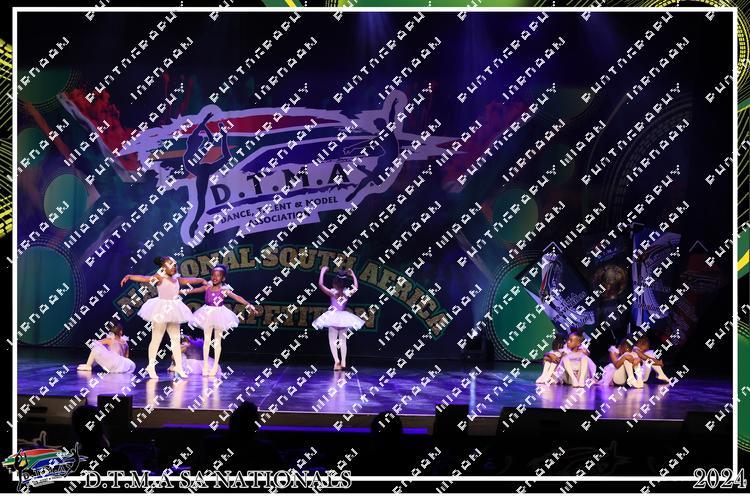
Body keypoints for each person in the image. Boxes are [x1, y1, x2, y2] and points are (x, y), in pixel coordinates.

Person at [120, 256, 206, 379]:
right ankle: (151, 366)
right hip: (161, 309)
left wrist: (201, 280)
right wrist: (129, 276)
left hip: (174, 309)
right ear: (163, 267)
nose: (173, 266)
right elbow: (144, 278)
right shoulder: (159, 277)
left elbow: (190, 280)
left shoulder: (177, 279)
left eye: (174, 264)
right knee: (156, 339)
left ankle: (179, 367)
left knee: (175, 340)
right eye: (170, 264)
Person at [181, 264, 258, 376]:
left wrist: (249, 305)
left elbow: (237, 297)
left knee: (217, 341)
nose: (215, 277)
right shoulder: (207, 287)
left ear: (223, 278)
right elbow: (193, 290)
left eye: (218, 275)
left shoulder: (224, 290)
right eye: (213, 275)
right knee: (207, 341)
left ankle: (215, 366)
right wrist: (179, 292)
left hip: (219, 314)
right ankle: (205, 366)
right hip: (206, 313)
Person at [311, 267, 364, 370]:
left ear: (334, 283)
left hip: (332, 317)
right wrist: (353, 275)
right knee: (343, 341)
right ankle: (343, 361)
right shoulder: (346, 293)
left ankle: (336, 361)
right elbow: (356, 287)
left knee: (332, 340)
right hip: (344, 318)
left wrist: (322, 272)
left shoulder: (332, 293)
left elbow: (320, 285)